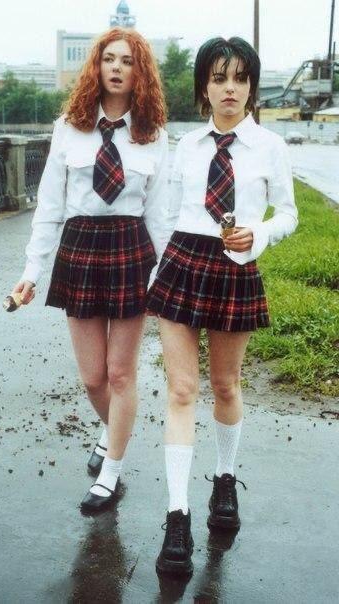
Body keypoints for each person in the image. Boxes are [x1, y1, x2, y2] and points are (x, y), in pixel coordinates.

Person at [147, 36, 298, 576]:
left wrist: (259, 233)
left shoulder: (270, 147)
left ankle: (225, 479)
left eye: (239, 78)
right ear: (203, 88)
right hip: (183, 263)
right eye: (218, 78)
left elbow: (289, 214)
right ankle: (177, 515)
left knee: (227, 385)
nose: (229, 88)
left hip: (236, 264)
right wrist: (158, 273)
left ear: (251, 86)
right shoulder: (186, 146)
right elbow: (166, 216)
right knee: (181, 390)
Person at [11, 27, 169, 513]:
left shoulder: (154, 134)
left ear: (140, 73)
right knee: (93, 377)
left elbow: (159, 215)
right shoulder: (69, 127)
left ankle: (111, 472)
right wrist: (32, 271)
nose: (117, 68)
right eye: (109, 59)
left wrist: (162, 277)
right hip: (79, 250)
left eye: (128, 61)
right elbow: (49, 206)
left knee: (121, 374)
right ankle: (112, 428)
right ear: (96, 67)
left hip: (130, 251)